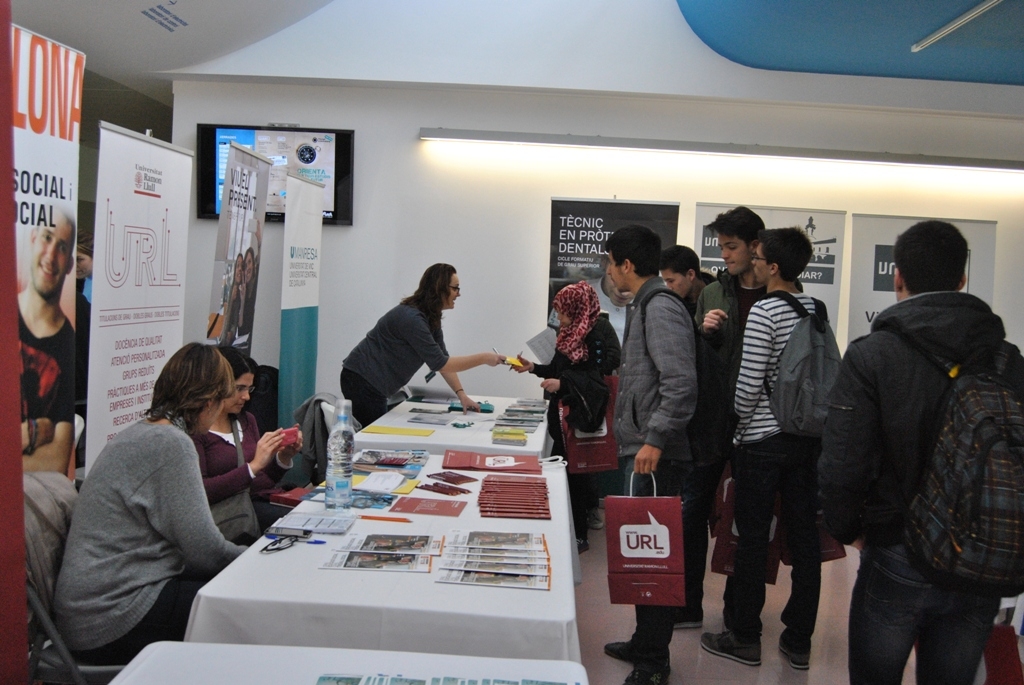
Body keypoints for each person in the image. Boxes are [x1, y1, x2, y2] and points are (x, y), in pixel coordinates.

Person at [819, 220, 1022, 685]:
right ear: (962, 280)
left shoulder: (873, 354)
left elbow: (843, 462)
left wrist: (849, 529)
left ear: (898, 278)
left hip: (898, 547)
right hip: (981, 559)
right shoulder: (1007, 359)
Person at [53, 343, 245, 665]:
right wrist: (254, 561)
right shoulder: (172, 445)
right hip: (113, 615)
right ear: (209, 402)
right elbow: (205, 550)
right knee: (241, 610)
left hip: (95, 608)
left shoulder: (144, 433)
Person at [700, 227, 822, 670]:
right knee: (804, 539)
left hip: (762, 442)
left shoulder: (766, 311)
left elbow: (748, 386)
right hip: (806, 440)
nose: (751, 258)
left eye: (758, 255)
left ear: (772, 267)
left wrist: (737, 430)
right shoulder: (816, 307)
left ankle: (745, 636)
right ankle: (799, 640)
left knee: (752, 538)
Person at [601, 225, 697, 685]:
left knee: (653, 558)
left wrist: (655, 439)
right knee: (639, 555)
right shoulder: (646, 304)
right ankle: (644, 643)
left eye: (609, 261)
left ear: (626, 265)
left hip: (653, 456)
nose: (607, 271)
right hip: (643, 450)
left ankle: (654, 662)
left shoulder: (659, 307)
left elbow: (680, 382)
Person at [681, 206, 767, 631]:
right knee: (692, 510)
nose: (726, 255)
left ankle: (738, 614)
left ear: (756, 246)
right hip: (712, 420)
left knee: (747, 521)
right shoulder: (714, 293)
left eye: (732, 247)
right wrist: (706, 332)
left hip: (757, 426)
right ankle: (688, 605)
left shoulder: (781, 292)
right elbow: (698, 356)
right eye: (721, 247)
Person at [514, 281, 620, 553]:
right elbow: (556, 369)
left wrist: (563, 386)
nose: (559, 318)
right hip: (560, 416)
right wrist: (532, 368)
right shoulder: (568, 334)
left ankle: (580, 535)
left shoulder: (593, 336)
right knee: (566, 473)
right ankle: (569, 529)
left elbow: (596, 383)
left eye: (563, 312)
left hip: (579, 418)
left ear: (577, 308)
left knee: (577, 477)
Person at [341, 263, 506, 428]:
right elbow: (440, 363)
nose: (459, 294)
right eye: (455, 288)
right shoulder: (412, 319)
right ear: (440, 289)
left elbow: (443, 360)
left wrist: (461, 395)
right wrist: (484, 358)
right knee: (374, 436)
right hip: (362, 380)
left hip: (372, 383)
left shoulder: (430, 316)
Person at [194, 346, 304, 533]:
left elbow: (262, 482)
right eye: (239, 389)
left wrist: (283, 457)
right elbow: (202, 491)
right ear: (218, 385)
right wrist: (252, 467)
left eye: (249, 388)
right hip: (225, 516)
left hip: (255, 504)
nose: (246, 396)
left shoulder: (246, 420)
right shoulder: (197, 429)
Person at [20, 209, 77, 473]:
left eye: (62, 247)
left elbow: (56, 461)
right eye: (47, 237)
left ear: (69, 265)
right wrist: (39, 431)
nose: (51, 256)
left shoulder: (67, 342)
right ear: (33, 238)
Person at [660, 244, 712, 317]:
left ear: (691, 274)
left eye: (671, 281)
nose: (669, 287)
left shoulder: (723, 296)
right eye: (666, 282)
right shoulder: (669, 306)